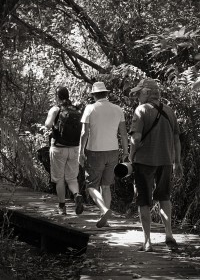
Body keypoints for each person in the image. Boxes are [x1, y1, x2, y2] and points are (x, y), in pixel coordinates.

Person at [129, 78, 183, 252]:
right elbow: (176, 138)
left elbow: (136, 138)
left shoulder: (141, 110)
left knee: (144, 200)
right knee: (164, 197)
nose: (137, 96)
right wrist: (177, 162)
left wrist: (130, 154)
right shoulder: (169, 111)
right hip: (166, 161)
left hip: (144, 162)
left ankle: (147, 242)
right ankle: (169, 235)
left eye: (139, 93)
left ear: (146, 93)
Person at [78, 80, 129, 228]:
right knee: (106, 186)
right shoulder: (118, 109)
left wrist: (81, 152)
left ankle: (104, 209)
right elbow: (124, 134)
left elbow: (84, 133)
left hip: (94, 152)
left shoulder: (90, 109)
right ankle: (105, 219)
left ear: (94, 95)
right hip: (113, 152)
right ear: (106, 94)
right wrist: (125, 152)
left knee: (91, 186)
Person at [45, 86, 84, 215]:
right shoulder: (76, 109)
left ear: (57, 96)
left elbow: (48, 124)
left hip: (59, 148)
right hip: (74, 148)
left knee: (59, 179)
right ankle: (76, 194)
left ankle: (62, 207)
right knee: (72, 177)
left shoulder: (56, 109)